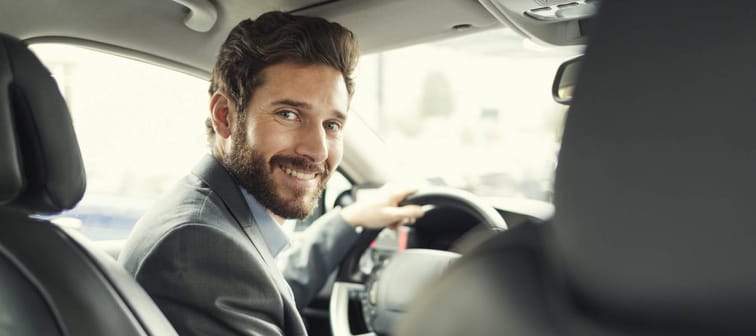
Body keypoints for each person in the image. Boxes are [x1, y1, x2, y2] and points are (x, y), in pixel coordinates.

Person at [117, 11, 425, 336]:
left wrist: (349, 220)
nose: (318, 151)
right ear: (225, 116)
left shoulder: (213, 222)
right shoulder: (197, 245)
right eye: (289, 114)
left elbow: (266, 289)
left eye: (332, 125)